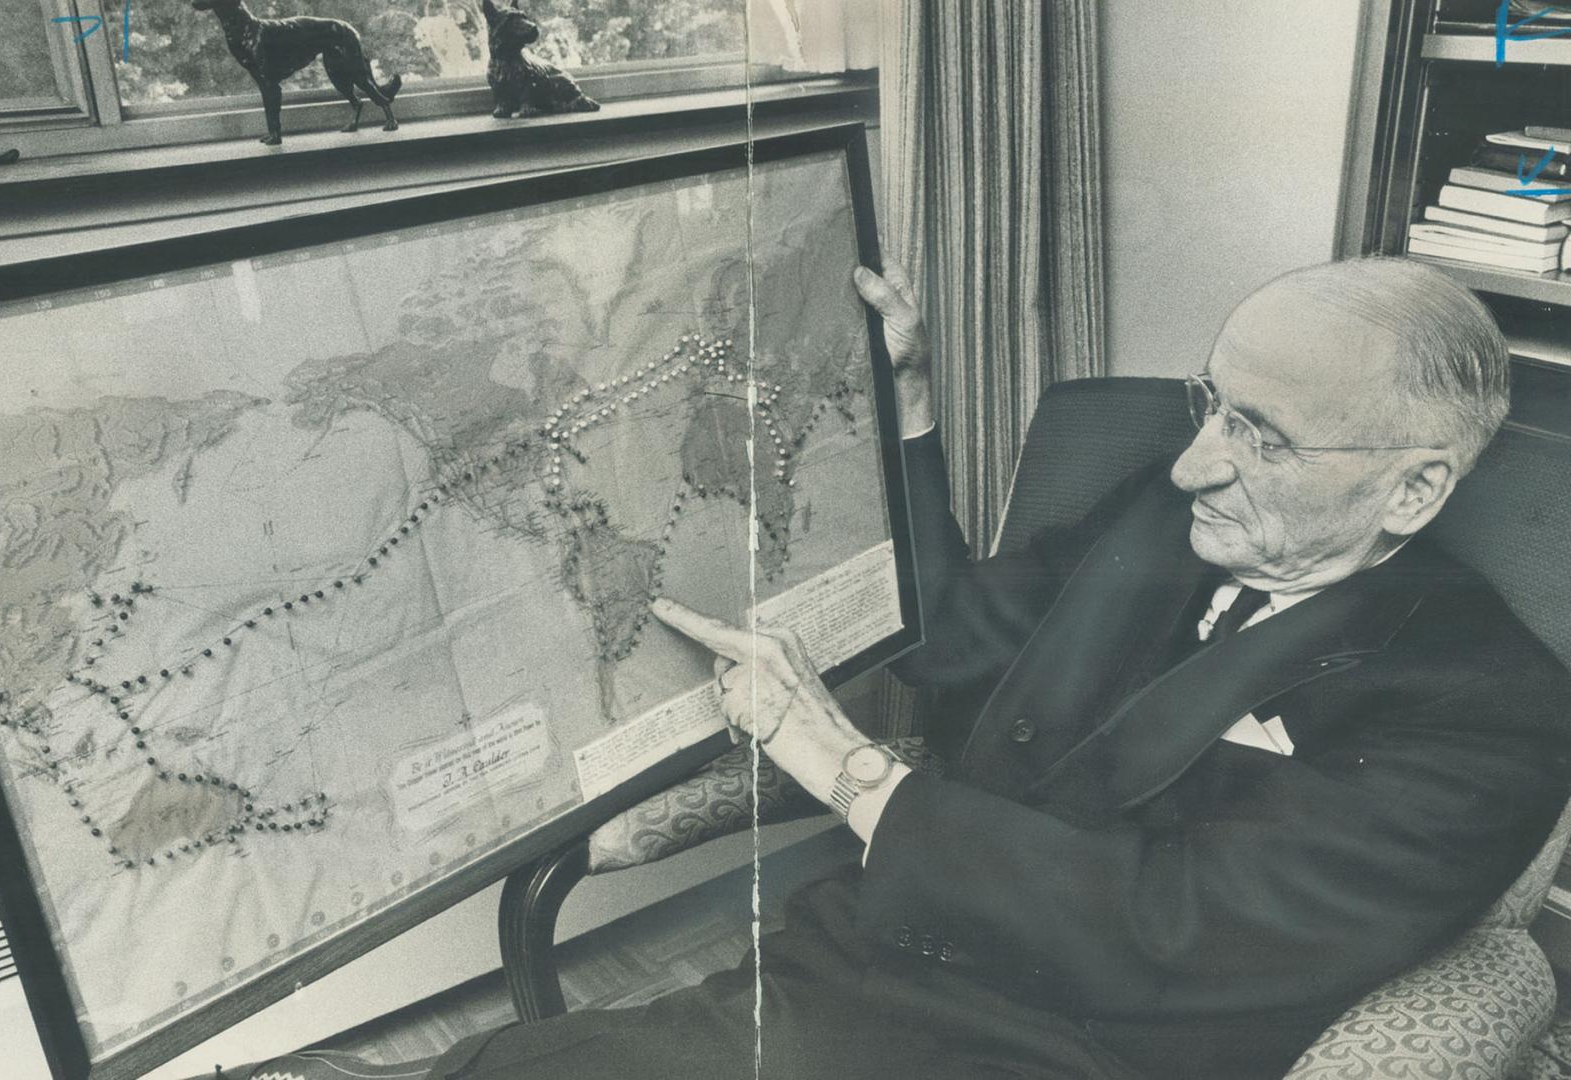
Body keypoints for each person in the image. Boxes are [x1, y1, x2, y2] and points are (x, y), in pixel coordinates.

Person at [232, 257, 1571, 1080]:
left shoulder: (1487, 711)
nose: (1190, 465)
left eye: (1259, 436)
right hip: (875, 956)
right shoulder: (1161, 520)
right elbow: (959, 643)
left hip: (1076, 1047)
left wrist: (841, 763)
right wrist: (907, 411)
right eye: (1205, 404)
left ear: (1411, 492)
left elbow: (1168, 930)